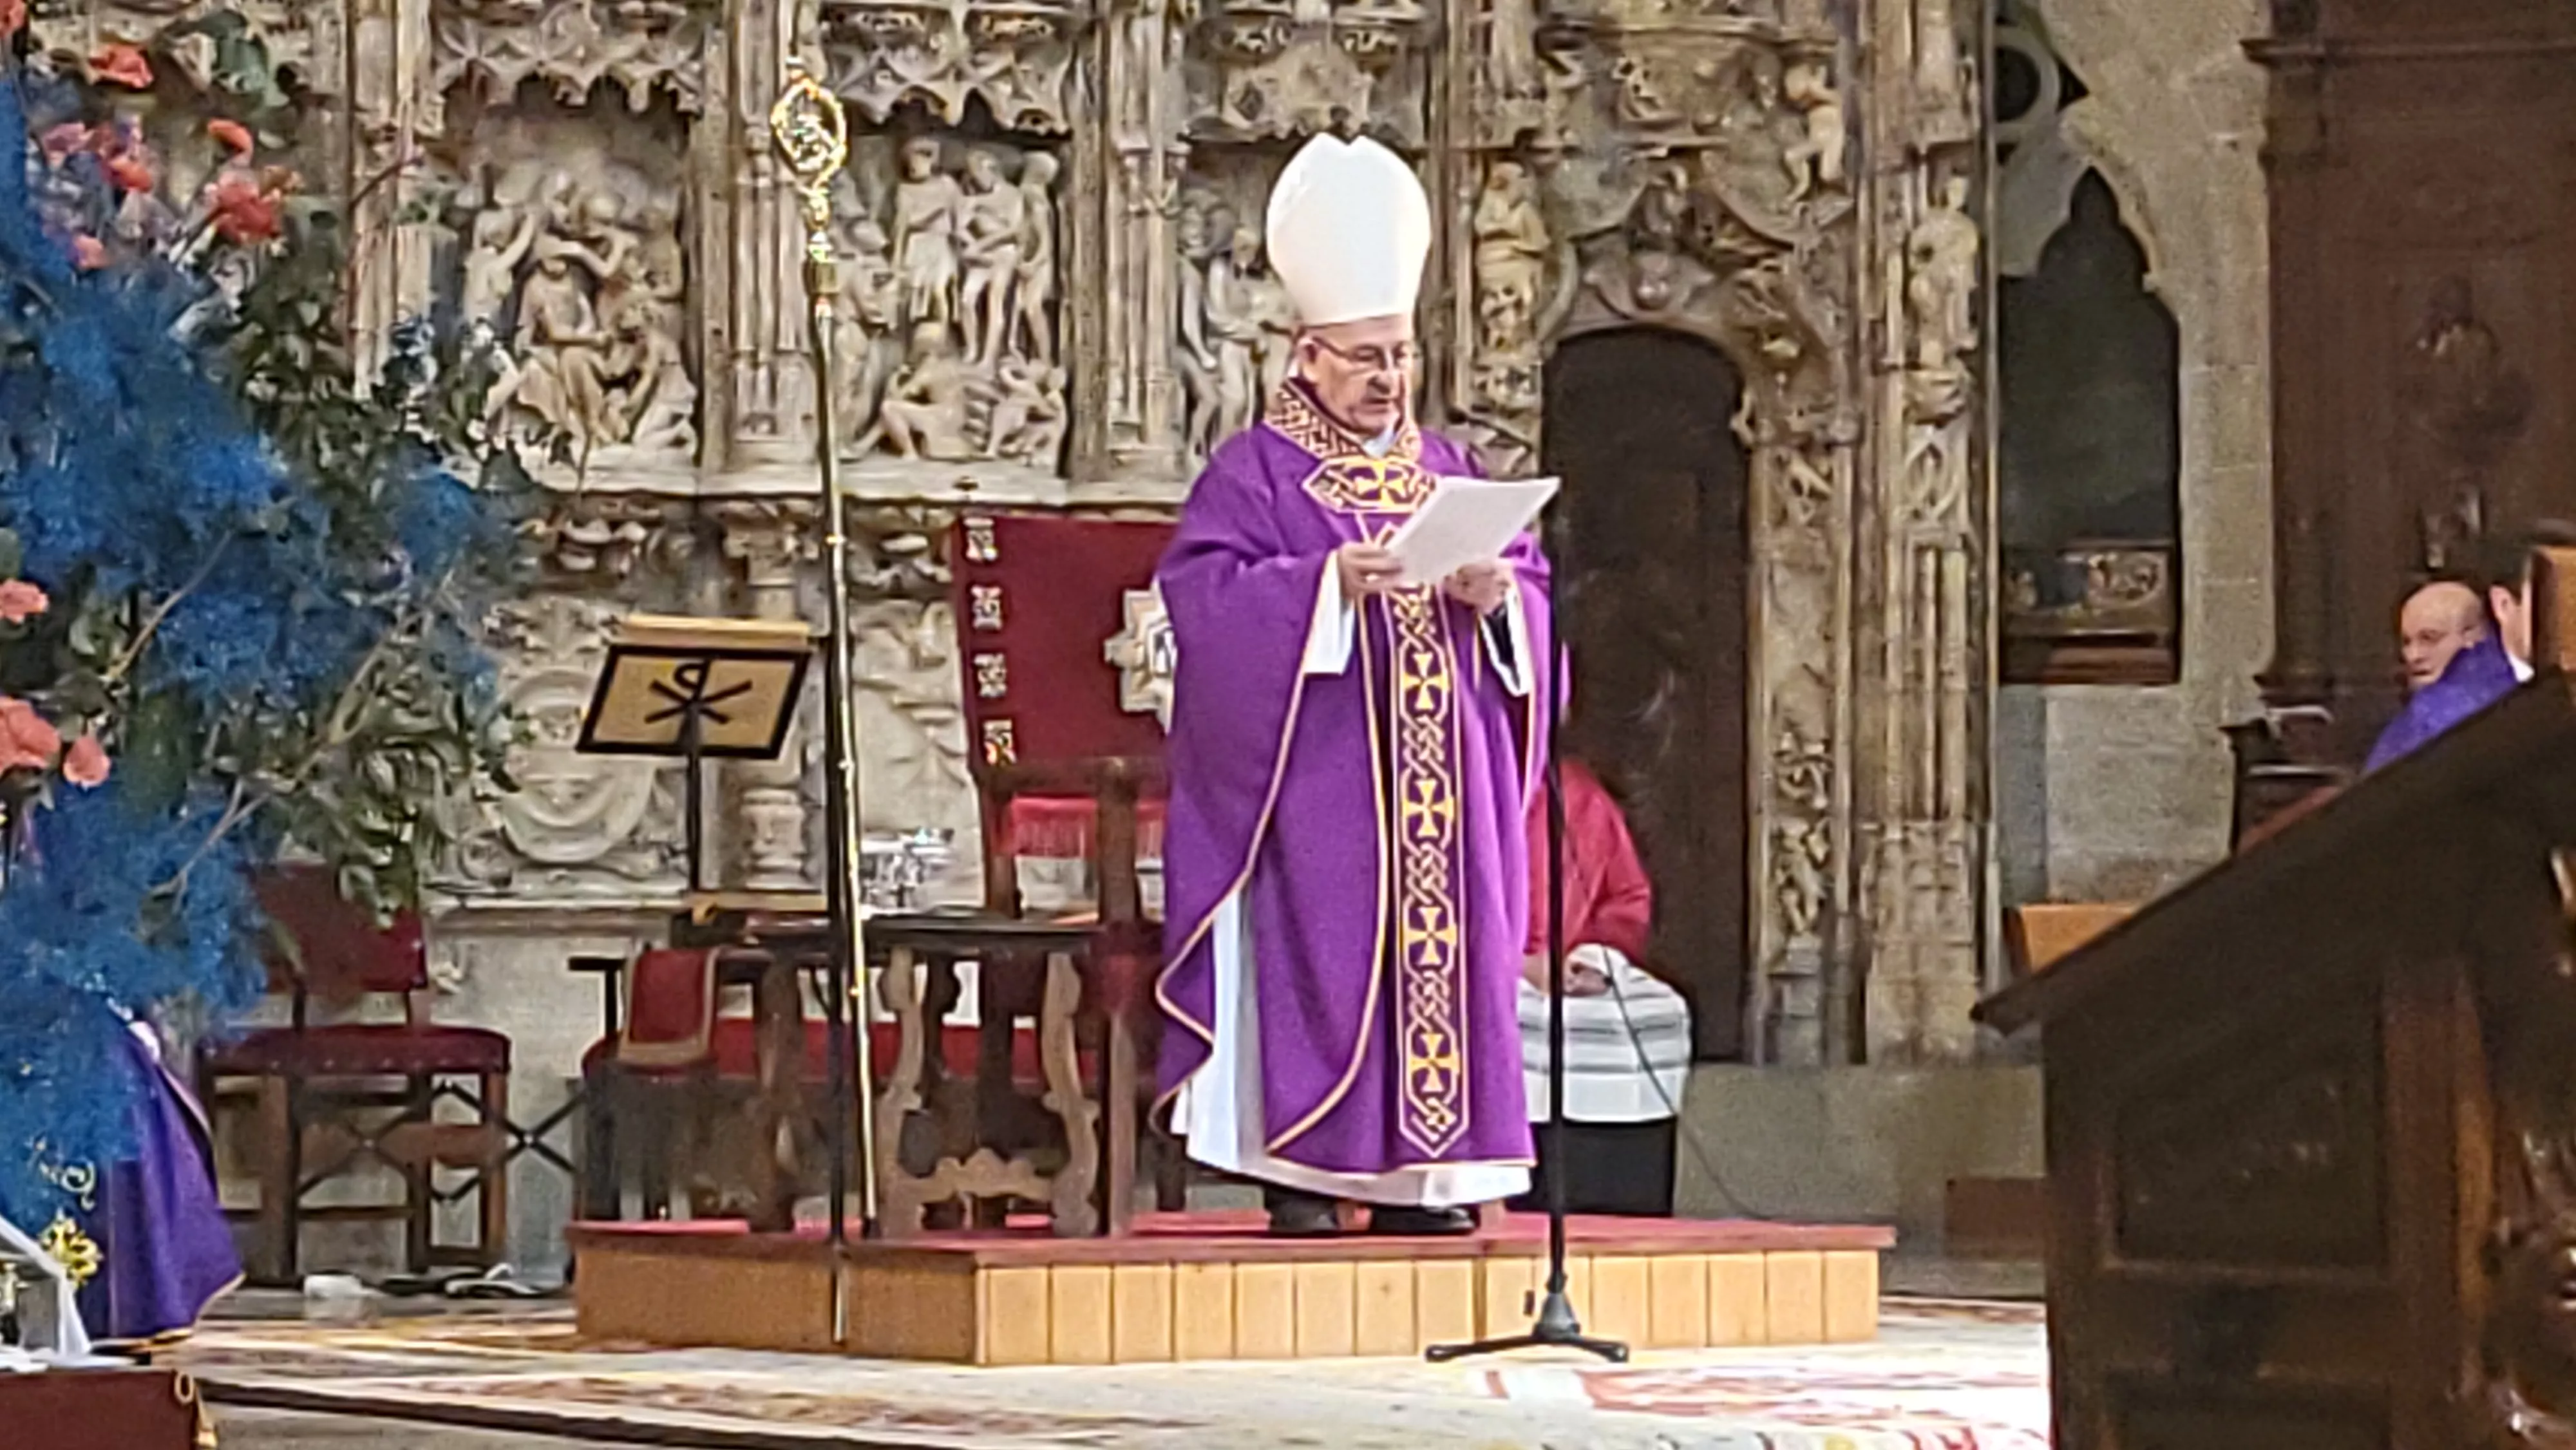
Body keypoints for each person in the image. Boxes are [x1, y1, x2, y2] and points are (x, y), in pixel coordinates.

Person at [1155, 134, 1551, 1239]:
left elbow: (1529, 585)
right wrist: (1321, 586)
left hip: (1447, 777)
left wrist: (1499, 597)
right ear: (1307, 356)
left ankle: (1434, 1182)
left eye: (1403, 355)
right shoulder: (1255, 472)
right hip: (1324, 780)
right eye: (1368, 357)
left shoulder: (1451, 469)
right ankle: (1307, 1168)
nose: (1391, 378)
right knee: (1325, 958)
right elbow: (1204, 602)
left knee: (1451, 958)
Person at [1511, 757, 1690, 1218]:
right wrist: (1516, 963)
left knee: (1659, 1012)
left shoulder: (1579, 795)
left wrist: (1593, 960)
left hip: (1571, 964)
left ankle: (1620, 1196)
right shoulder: (1459, 787)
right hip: (1489, 971)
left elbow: (1627, 896)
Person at [2365, 576, 2516, 773]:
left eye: (2429, 638)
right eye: (2406, 642)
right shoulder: (2520, 692)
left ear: (2472, 635)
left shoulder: (2428, 718)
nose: (2413, 656)